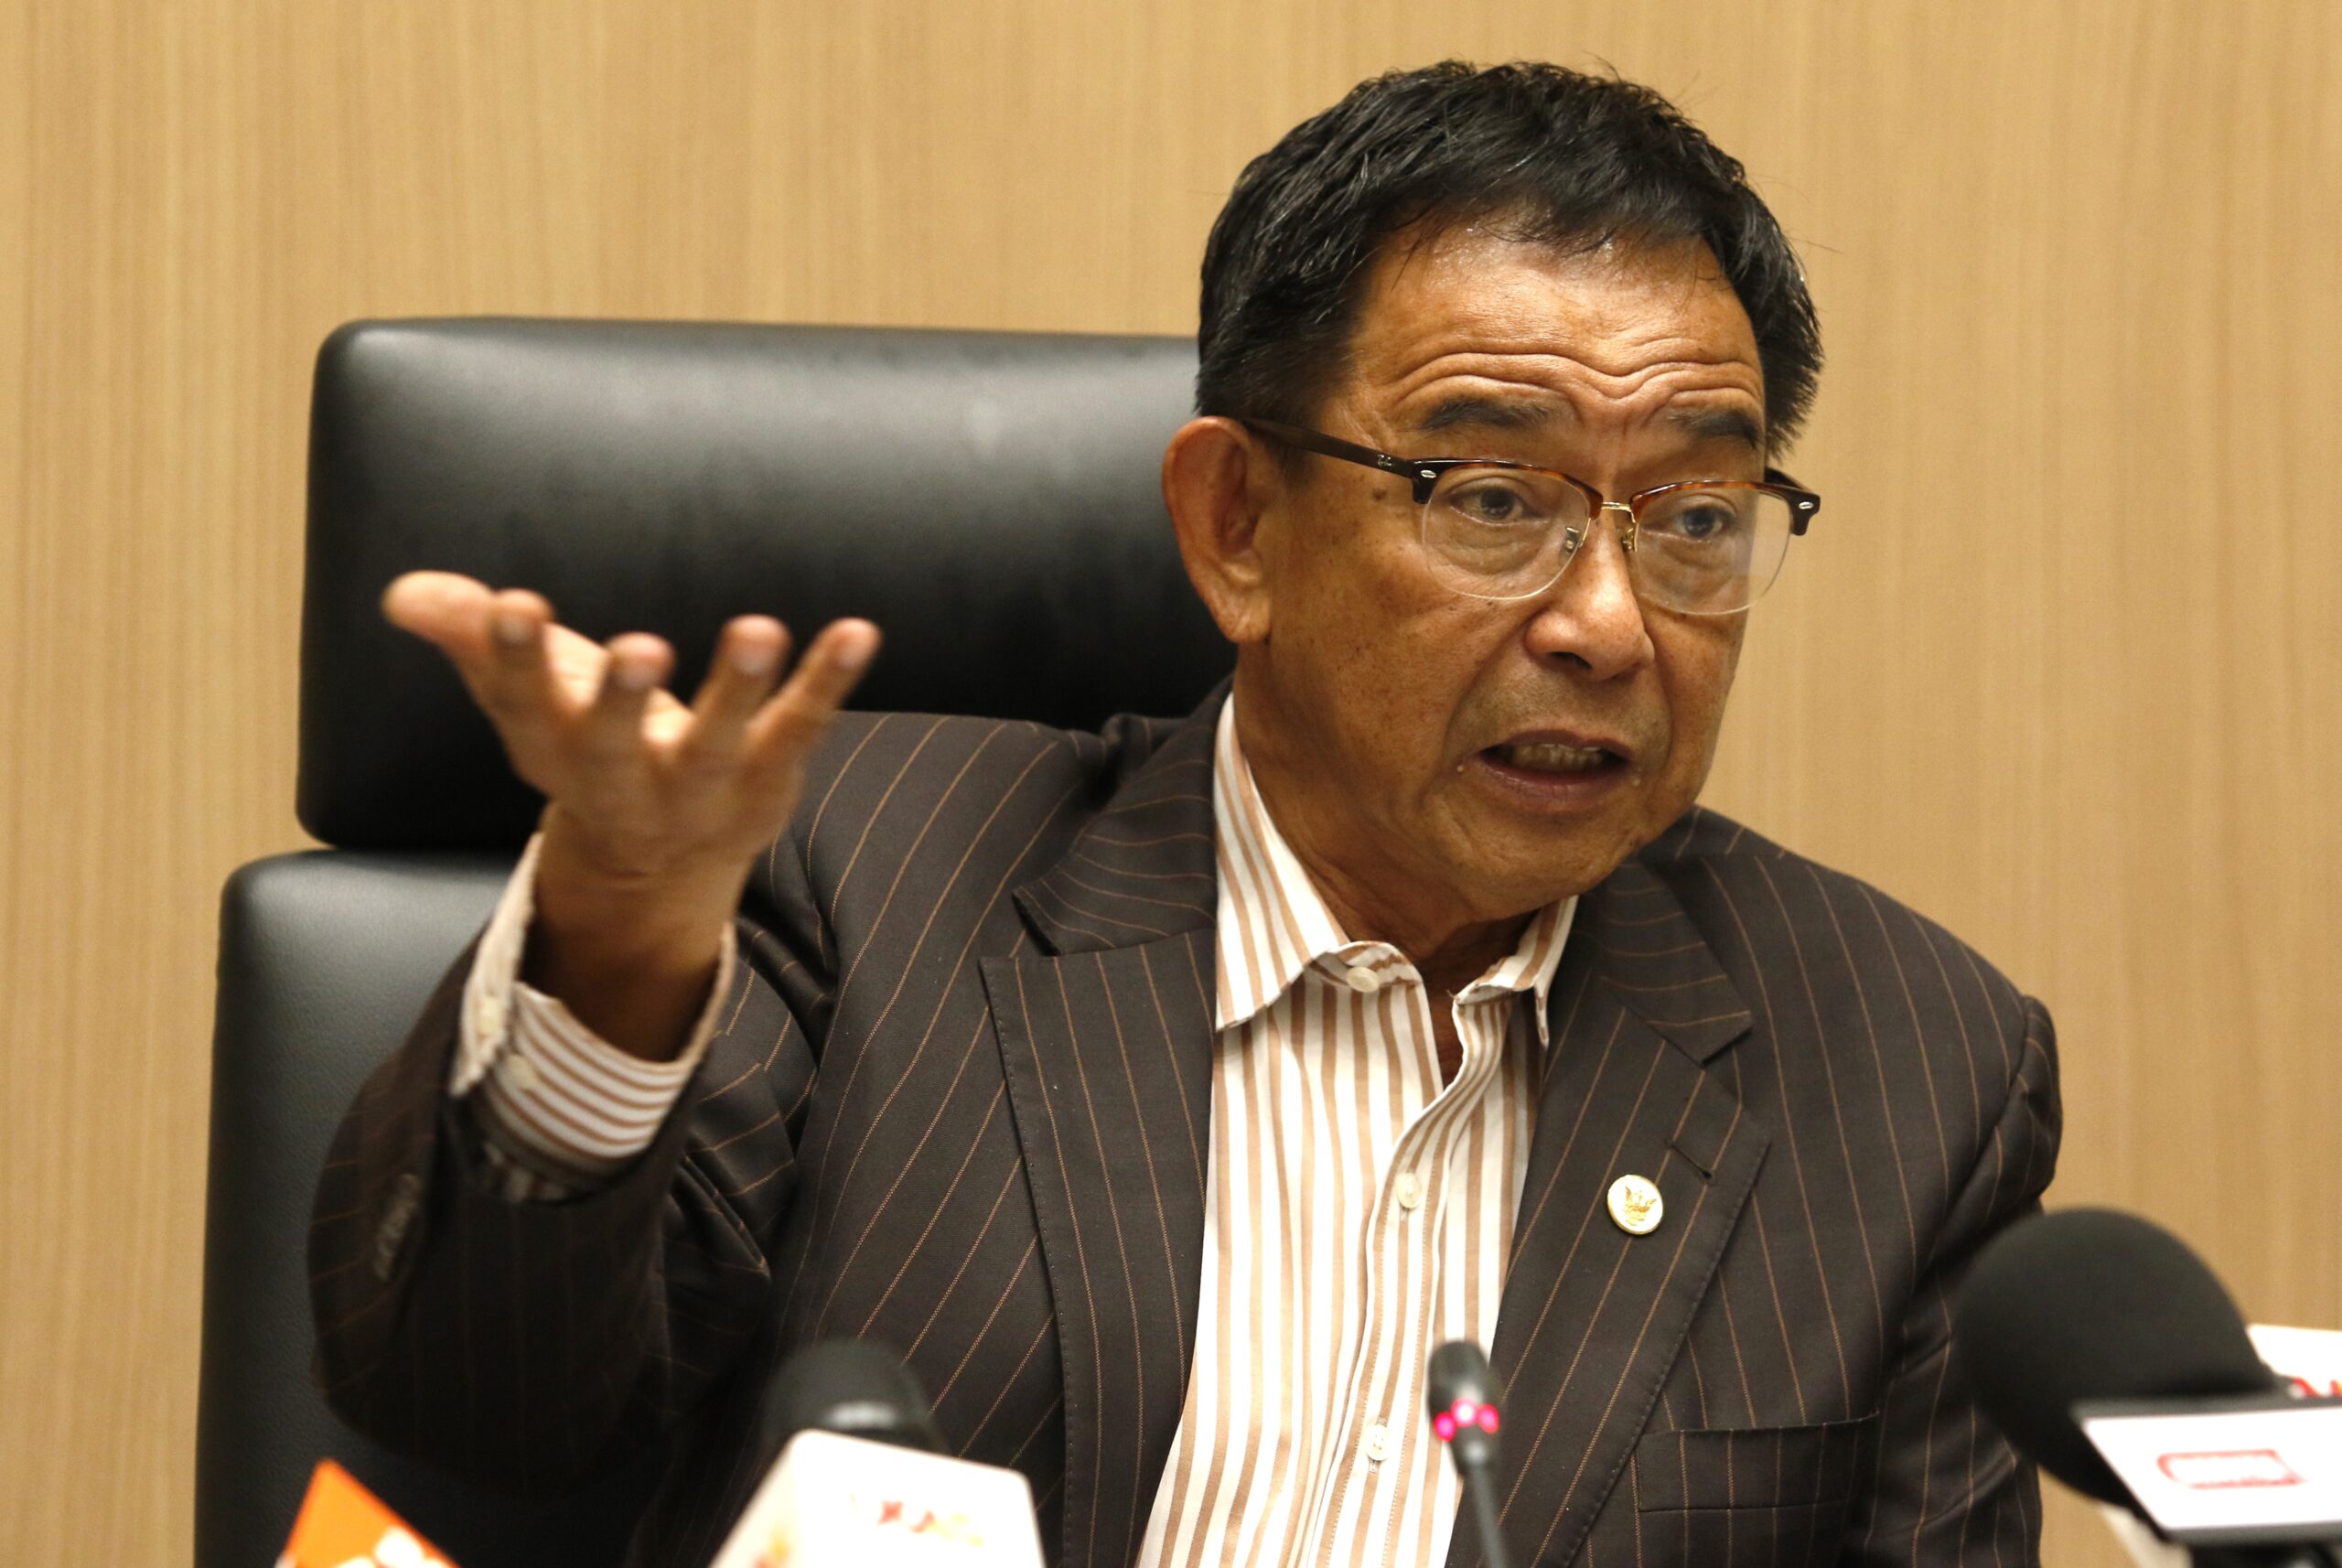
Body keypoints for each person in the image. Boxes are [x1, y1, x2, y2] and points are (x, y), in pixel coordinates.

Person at [311, 60, 2059, 1568]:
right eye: (1491, 495)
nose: (1607, 622)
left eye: (1694, 517)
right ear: (1238, 526)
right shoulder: (865, 870)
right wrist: (620, 952)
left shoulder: (1911, 1070)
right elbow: (484, 1407)